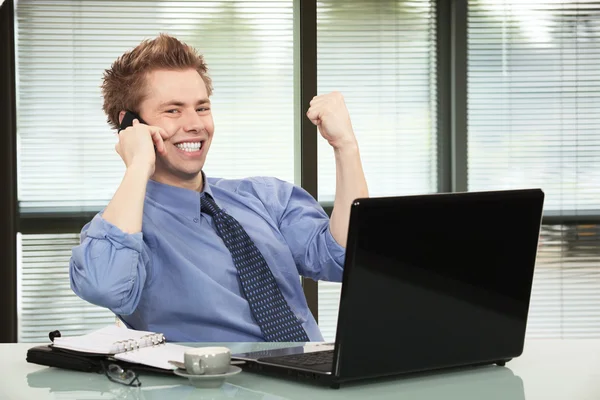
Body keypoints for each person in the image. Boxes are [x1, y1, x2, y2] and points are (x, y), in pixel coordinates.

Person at [69, 34, 368, 342]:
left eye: (201, 108)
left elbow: (348, 260)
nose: (195, 124)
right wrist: (137, 166)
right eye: (173, 110)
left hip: (312, 381)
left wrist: (345, 146)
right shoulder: (125, 230)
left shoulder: (265, 197)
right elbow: (105, 287)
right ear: (130, 123)